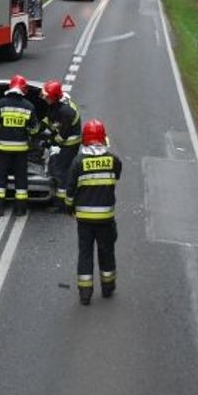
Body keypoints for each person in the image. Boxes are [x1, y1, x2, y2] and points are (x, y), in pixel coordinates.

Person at [64, 120, 123, 305]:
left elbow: (70, 191)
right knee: (107, 252)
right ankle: (107, 287)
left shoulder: (78, 163)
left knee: (85, 254)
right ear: (102, 139)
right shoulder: (114, 160)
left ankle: (85, 293)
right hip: (106, 218)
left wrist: (69, 208)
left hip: (84, 220)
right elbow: (116, 177)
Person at [0, 74, 39, 216]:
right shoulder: (29, 106)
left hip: (3, 149)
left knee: (0, 177)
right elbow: (34, 129)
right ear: (23, 90)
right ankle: (20, 209)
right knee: (21, 179)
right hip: (21, 150)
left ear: (10, 88)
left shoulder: (1, 104)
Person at [41, 80, 82, 212]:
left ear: (53, 97)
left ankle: (61, 204)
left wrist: (51, 142)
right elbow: (50, 118)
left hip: (69, 144)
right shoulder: (57, 104)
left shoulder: (66, 111)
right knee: (58, 167)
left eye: (47, 96)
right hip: (65, 140)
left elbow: (62, 135)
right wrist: (37, 129)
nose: (45, 98)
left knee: (60, 171)